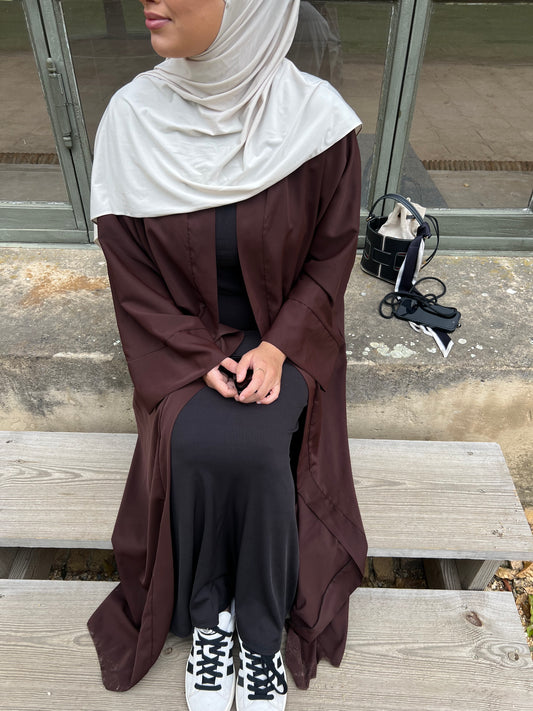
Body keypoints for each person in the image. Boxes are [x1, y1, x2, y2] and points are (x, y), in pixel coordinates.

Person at [88, 1, 368, 710]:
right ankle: (212, 618)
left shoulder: (315, 122)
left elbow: (331, 257)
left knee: (253, 445)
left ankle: (260, 631)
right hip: (179, 340)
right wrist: (192, 355)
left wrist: (276, 348)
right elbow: (131, 273)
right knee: (198, 438)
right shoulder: (133, 118)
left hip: (286, 339)